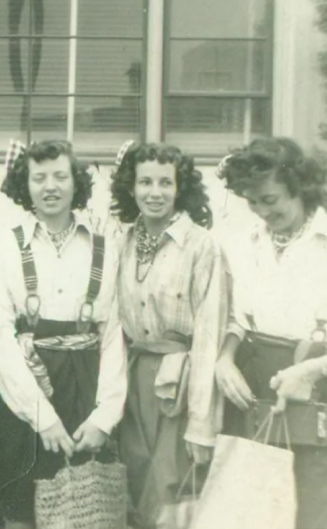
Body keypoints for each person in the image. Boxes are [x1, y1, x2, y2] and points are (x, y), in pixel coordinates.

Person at [215, 137, 327, 529]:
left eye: (271, 199)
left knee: (314, 514)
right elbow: (236, 318)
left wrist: (309, 372)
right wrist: (225, 359)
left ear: (299, 186)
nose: (263, 211)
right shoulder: (244, 243)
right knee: (251, 512)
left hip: (323, 391)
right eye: (253, 202)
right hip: (257, 388)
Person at [0, 139, 127, 529]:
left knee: (80, 507)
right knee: (22, 509)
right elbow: (0, 334)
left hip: (84, 387)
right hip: (22, 392)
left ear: (75, 182)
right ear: (24, 185)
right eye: (39, 177)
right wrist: (40, 416)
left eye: (60, 176)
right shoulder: (5, 245)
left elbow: (112, 334)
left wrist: (104, 417)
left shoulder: (104, 246)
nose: (50, 186)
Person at [109, 141, 227, 528]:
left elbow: (209, 336)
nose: (154, 193)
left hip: (181, 385)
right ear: (131, 187)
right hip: (134, 378)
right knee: (136, 486)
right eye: (145, 182)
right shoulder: (122, 241)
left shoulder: (201, 246)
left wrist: (201, 423)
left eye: (165, 183)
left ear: (181, 189)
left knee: (169, 493)